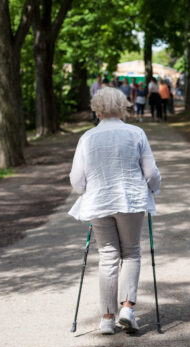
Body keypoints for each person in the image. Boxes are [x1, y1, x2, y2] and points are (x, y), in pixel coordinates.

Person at [69, 87, 162, 334]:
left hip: (99, 201)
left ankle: (108, 318)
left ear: (96, 110)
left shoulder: (87, 138)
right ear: (123, 107)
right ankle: (128, 309)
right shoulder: (136, 133)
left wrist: (84, 192)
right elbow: (151, 173)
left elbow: (77, 180)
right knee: (131, 253)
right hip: (130, 200)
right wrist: (154, 189)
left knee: (108, 257)